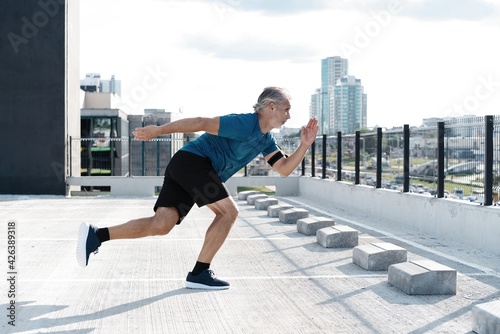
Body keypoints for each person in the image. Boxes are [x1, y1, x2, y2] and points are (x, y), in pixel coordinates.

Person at [76, 86, 318, 290]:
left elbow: (284, 168)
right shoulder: (245, 123)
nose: (288, 115)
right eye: (286, 109)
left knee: (161, 224)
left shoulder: (266, 140)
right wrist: (157, 131)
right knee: (229, 213)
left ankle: (96, 236)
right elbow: (201, 122)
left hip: (186, 166)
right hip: (194, 163)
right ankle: (200, 273)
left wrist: (305, 145)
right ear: (271, 107)